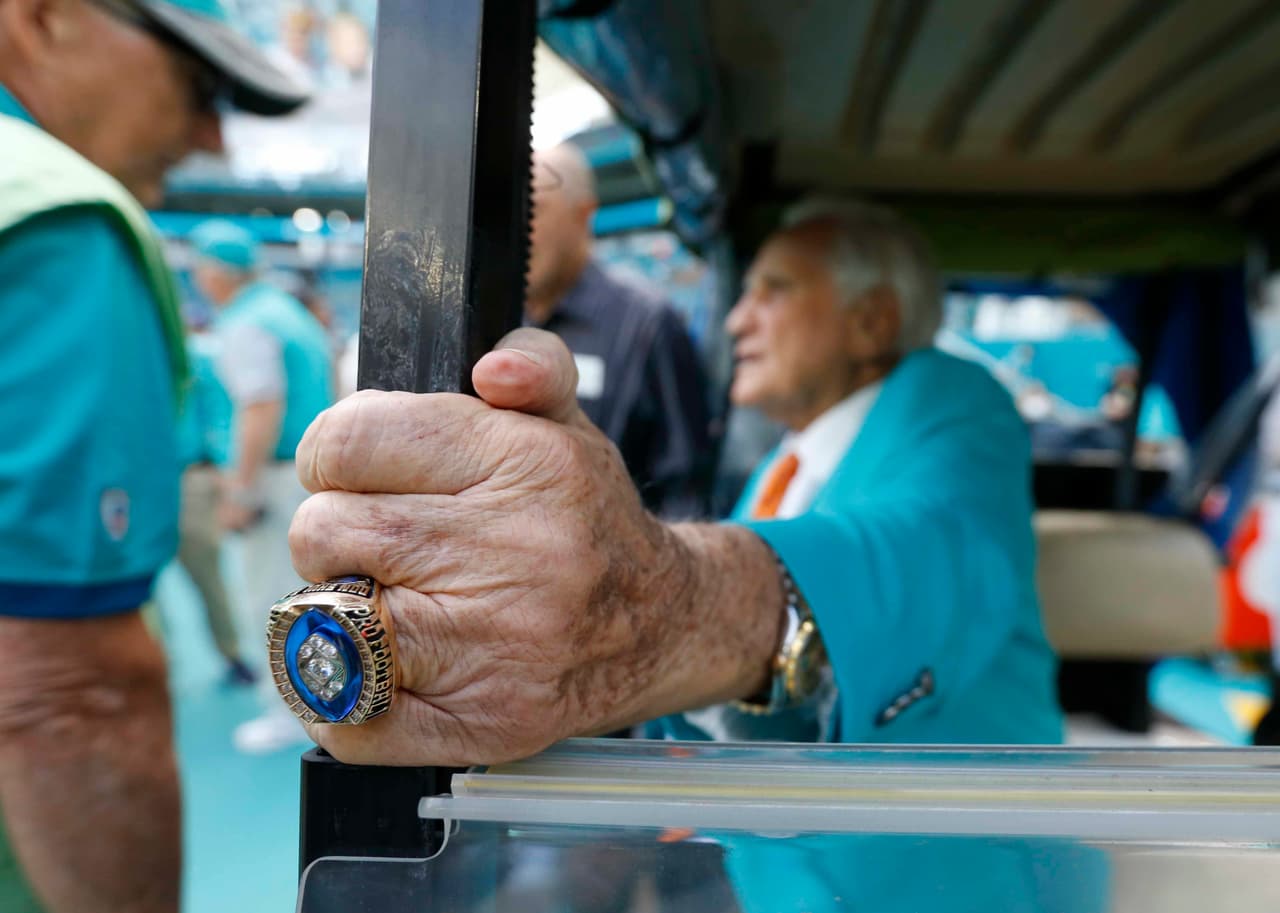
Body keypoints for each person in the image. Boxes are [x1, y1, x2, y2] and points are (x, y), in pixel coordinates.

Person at [285, 199, 1062, 770]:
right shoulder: (785, 461)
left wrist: (658, 598)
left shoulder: (951, 396)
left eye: (775, 289)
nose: (737, 320)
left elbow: (930, 554)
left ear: (873, 320)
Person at [0, 1, 306, 910]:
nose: (212, 137)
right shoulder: (56, 215)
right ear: (45, 18)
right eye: (195, 83)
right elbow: (70, 692)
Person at [188, 219, 334, 754]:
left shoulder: (248, 321)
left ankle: (289, 712)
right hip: (302, 472)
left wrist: (241, 490)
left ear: (217, 272)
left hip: (273, 477)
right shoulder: (284, 311)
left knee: (272, 600)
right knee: (304, 596)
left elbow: (260, 407)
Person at [527, 142, 712, 519]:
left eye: (535, 209)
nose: (520, 227)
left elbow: (685, 493)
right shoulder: (492, 318)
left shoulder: (647, 324)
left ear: (584, 216)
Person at [174, 323, 255, 685]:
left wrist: (227, 475)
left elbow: (219, 415)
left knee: (207, 572)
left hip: (191, 476)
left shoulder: (196, 356)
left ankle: (232, 653)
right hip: (141, 481)